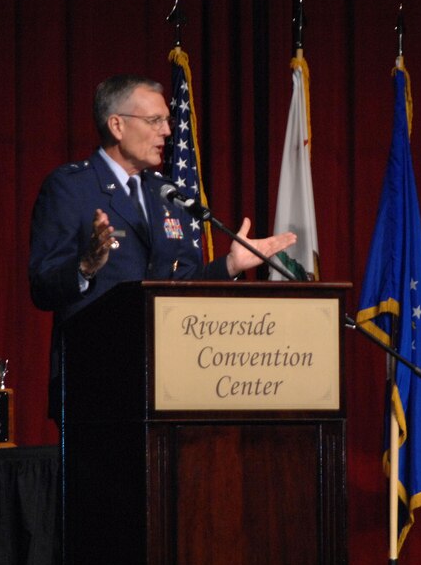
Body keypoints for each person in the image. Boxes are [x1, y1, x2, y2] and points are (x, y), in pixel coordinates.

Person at [29, 74, 297, 419]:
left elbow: (183, 286)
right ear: (117, 125)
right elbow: (42, 286)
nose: (167, 132)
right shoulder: (71, 188)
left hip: (168, 383)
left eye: (167, 121)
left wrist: (229, 266)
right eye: (155, 121)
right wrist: (85, 267)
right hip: (96, 384)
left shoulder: (166, 193)